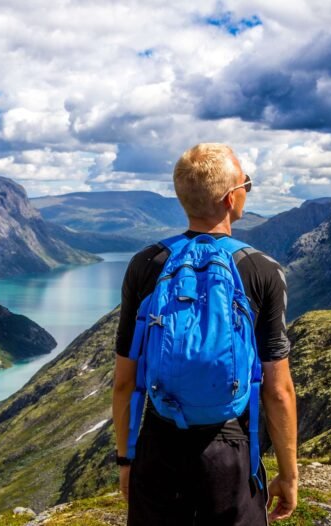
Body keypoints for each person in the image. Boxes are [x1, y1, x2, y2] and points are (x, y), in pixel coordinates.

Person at [111, 143, 298, 525]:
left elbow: (125, 382)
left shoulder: (147, 264)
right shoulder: (261, 270)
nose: (247, 189)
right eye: (247, 182)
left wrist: (126, 460)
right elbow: (277, 389)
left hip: (159, 443)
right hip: (230, 449)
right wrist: (288, 474)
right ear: (231, 198)